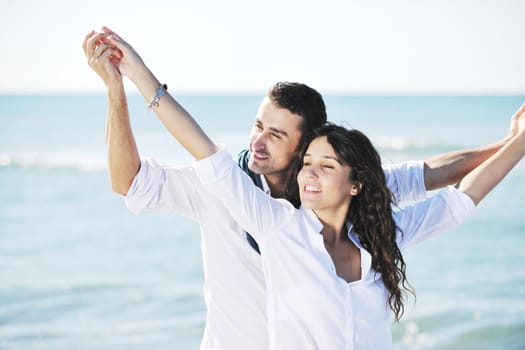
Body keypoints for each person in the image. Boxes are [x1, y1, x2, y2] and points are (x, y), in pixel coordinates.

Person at [82, 27, 524, 349]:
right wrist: (123, 85)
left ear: (305, 149)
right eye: (258, 126)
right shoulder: (256, 210)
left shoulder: (354, 207)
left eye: (276, 135)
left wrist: (511, 144)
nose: (257, 141)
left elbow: (440, 182)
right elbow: (140, 178)